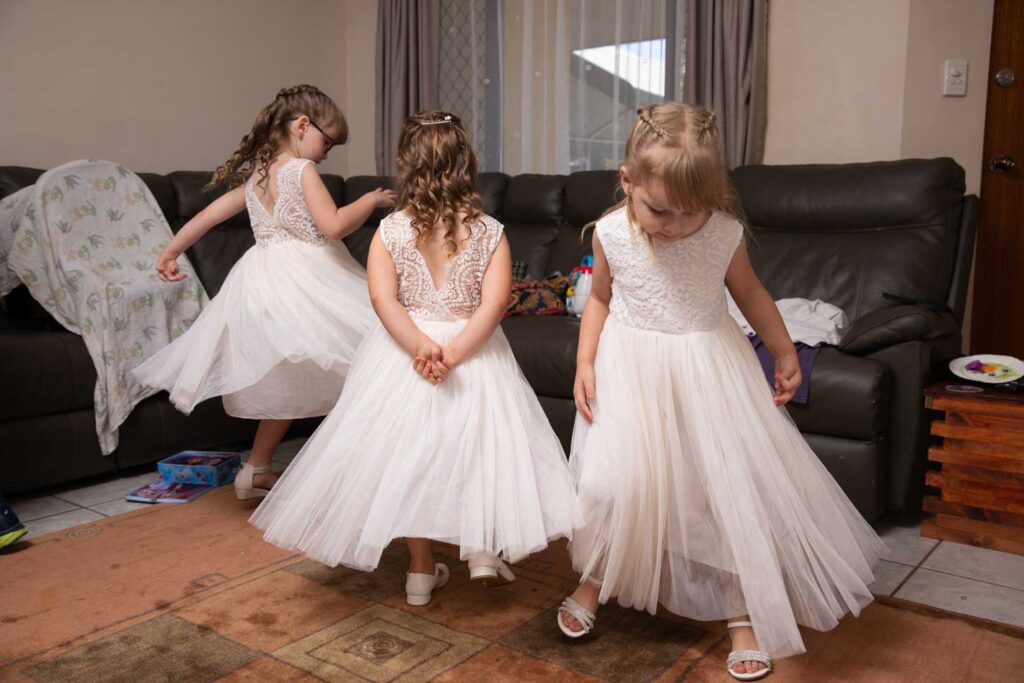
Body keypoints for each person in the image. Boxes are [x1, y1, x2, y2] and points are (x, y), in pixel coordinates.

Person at [556, 103, 887, 681]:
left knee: (717, 489)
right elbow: (602, 299)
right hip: (630, 370)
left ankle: (740, 608)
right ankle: (599, 577)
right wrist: (585, 361)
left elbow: (753, 293)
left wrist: (785, 350)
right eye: (660, 210)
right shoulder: (610, 232)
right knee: (616, 482)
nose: (675, 225)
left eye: (692, 212)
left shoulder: (723, 234)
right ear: (627, 181)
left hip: (708, 370)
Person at [250, 111, 576, 606]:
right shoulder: (490, 232)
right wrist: (456, 352)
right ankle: (482, 547)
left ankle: (421, 572)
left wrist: (422, 348)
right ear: (467, 166)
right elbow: (494, 304)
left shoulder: (390, 231)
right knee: (480, 446)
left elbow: (383, 301)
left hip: (407, 352)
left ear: (405, 166)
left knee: (411, 458)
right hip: (473, 353)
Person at [133, 85, 394, 500]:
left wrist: (170, 251)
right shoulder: (301, 171)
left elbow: (208, 215)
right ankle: (367, 471)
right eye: (327, 141)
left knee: (288, 381)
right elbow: (335, 226)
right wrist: (370, 200)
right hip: (310, 278)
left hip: (263, 280)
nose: (327, 153)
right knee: (380, 356)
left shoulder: (258, 176)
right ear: (303, 126)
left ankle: (254, 469)